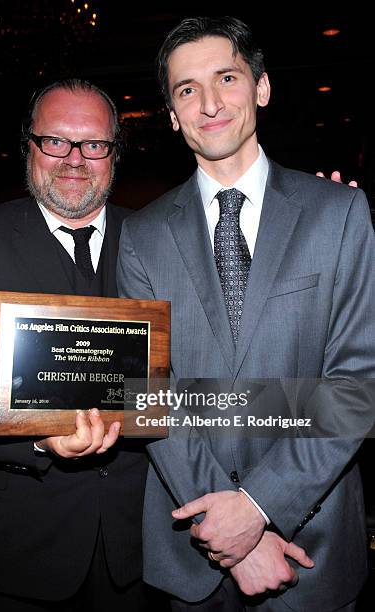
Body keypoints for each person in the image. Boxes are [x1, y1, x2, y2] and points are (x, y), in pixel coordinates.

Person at [117, 16, 375, 612]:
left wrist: (259, 506)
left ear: (260, 88)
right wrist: (232, 531)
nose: (209, 103)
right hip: (192, 546)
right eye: (187, 90)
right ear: (173, 114)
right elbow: (149, 394)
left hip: (314, 542)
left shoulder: (338, 213)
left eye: (226, 78)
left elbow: (355, 383)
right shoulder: (143, 236)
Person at [0, 79, 159, 611]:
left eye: (94, 144)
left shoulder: (156, 236)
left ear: (114, 153)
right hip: (12, 547)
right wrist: (42, 437)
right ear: (28, 147)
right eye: (55, 141)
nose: (75, 159)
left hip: (138, 546)